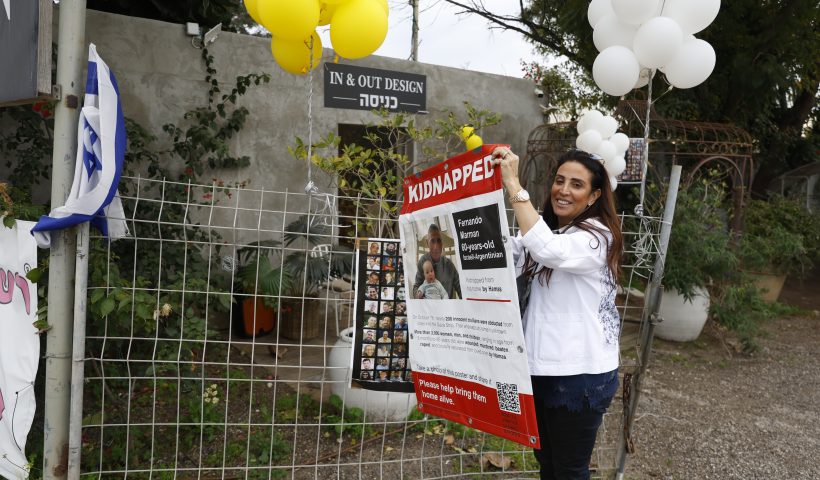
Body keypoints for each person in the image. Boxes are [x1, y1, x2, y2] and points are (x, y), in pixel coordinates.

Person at [491, 147, 623, 480]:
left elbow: (549, 251)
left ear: (594, 195)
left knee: (569, 470)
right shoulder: (549, 233)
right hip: (541, 367)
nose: (563, 190)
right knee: (548, 464)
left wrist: (513, 185)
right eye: (559, 180)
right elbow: (509, 258)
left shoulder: (598, 238)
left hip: (580, 376)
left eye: (576, 185)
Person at [413, 224, 462, 299]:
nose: (436, 246)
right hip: (429, 307)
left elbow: (460, 288)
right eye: (432, 241)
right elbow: (416, 287)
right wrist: (419, 296)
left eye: (439, 241)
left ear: (442, 243)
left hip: (447, 307)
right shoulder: (423, 261)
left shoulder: (449, 264)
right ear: (427, 243)